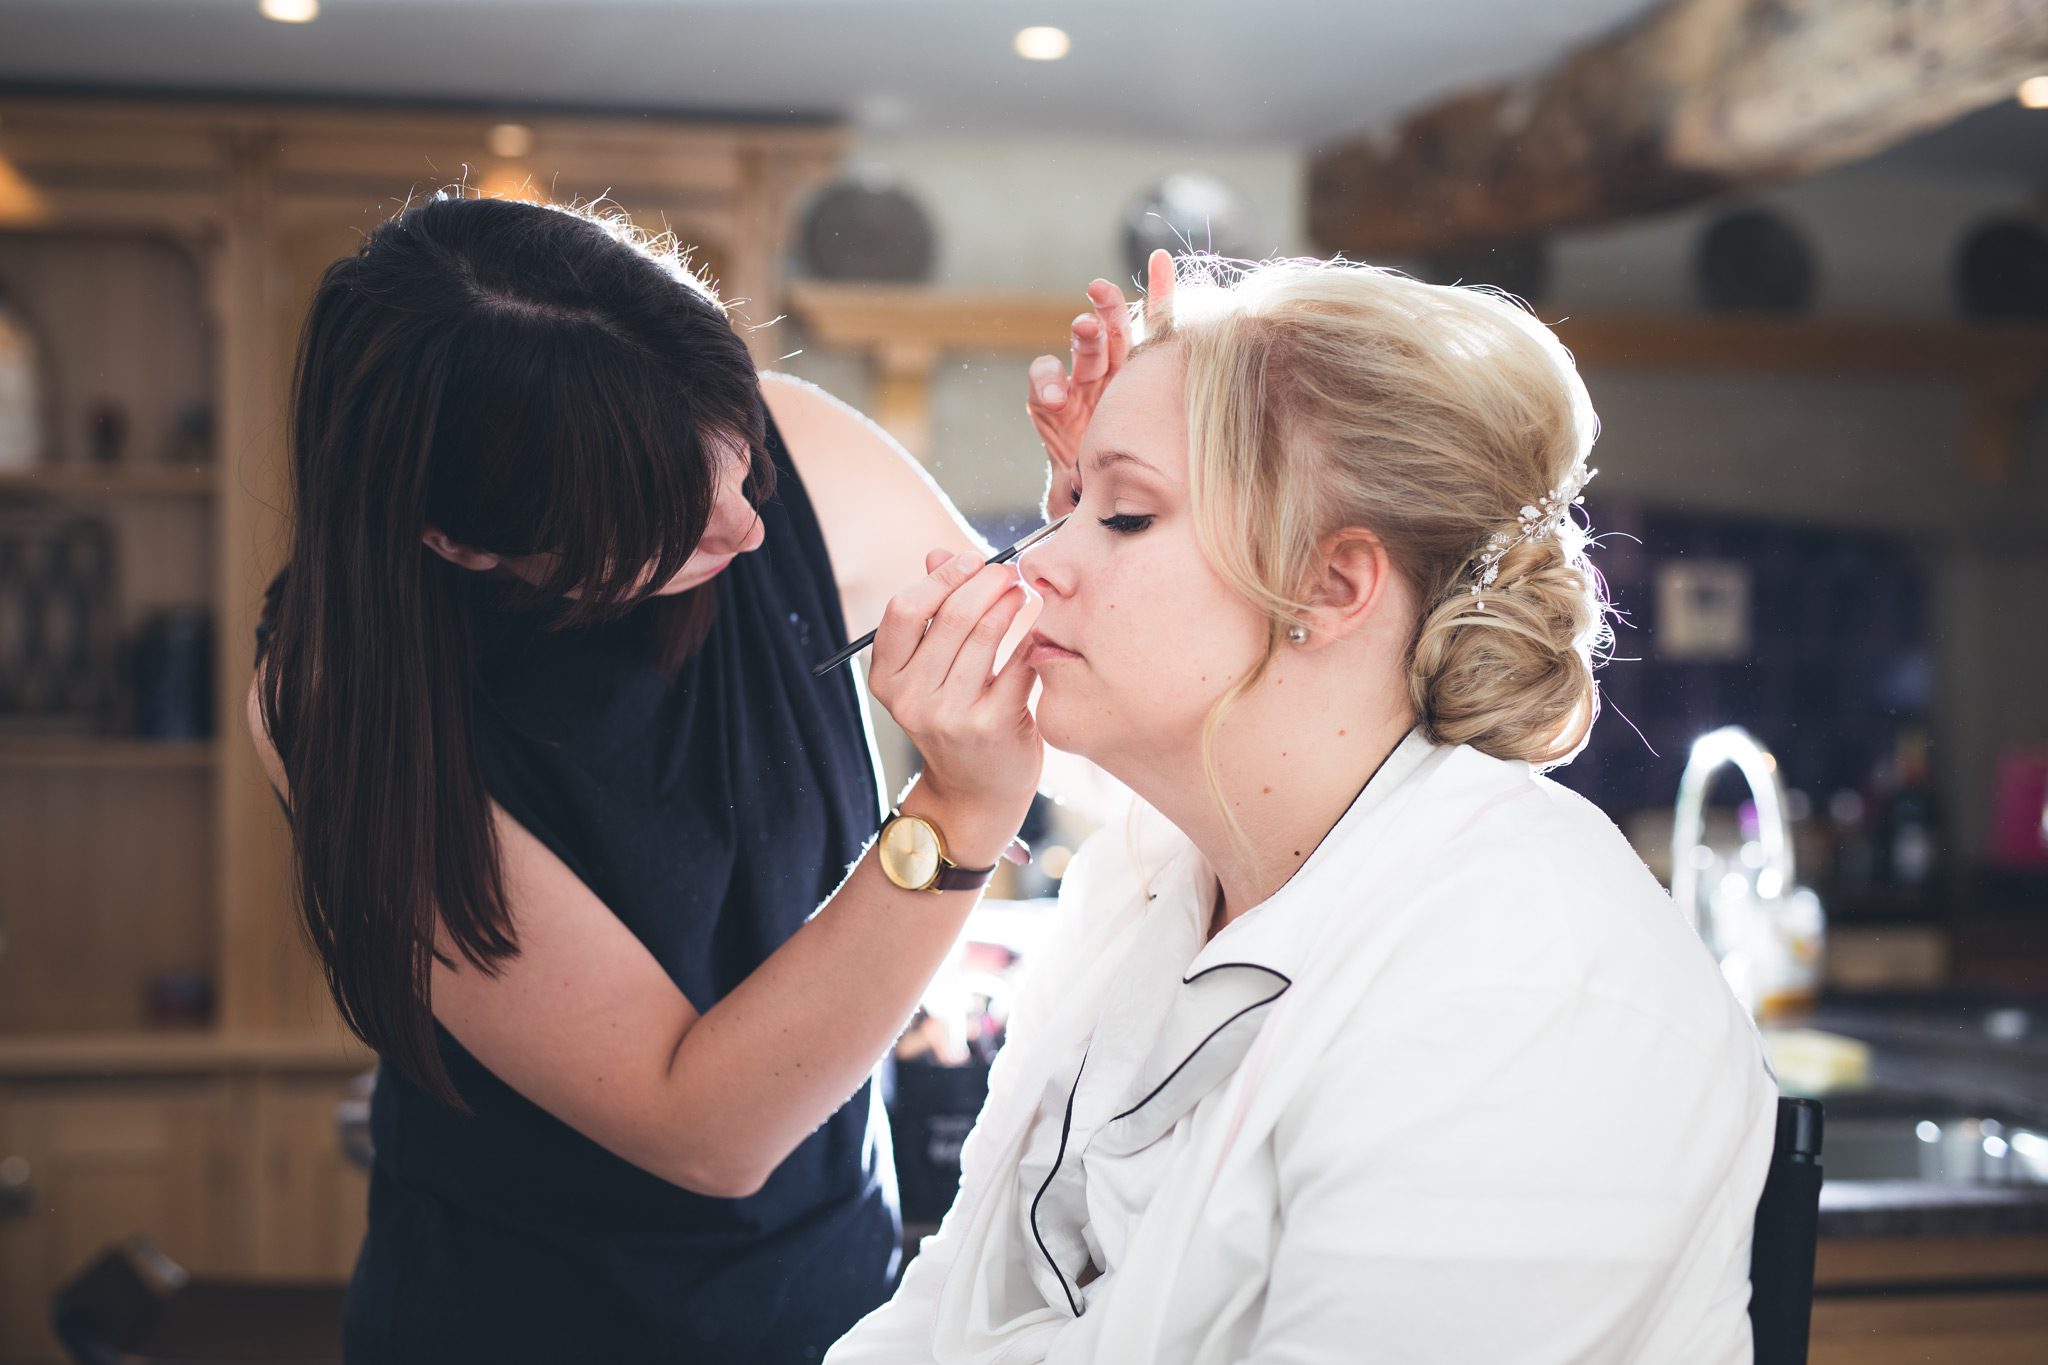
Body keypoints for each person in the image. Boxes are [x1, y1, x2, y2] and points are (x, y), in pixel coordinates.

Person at [245, 189, 1157, 1364]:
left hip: (837, 1289)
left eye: (741, 464)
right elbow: (704, 1131)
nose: (748, 528)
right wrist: (955, 816)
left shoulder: (797, 450)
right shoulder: (336, 701)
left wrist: (1096, 510)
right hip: (519, 1322)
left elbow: (1060, 685)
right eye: (670, 520)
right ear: (465, 544)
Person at [826, 256, 1781, 1364]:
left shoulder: (1524, 978)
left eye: (1124, 514)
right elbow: (943, 1314)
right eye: (1069, 503)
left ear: (1330, 587)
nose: (1032, 567)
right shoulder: (1142, 888)